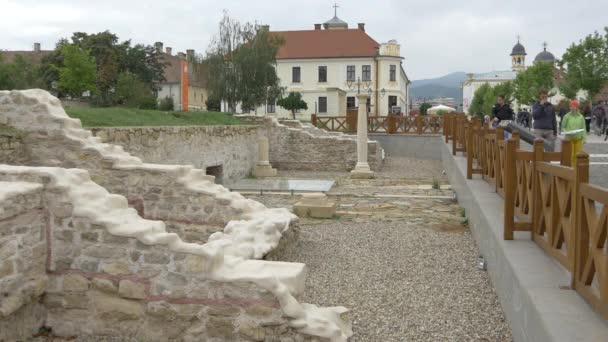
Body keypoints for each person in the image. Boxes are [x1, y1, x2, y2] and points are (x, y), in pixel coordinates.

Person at [562, 100, 587, 166]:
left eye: (574, 106)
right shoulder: (567, 116)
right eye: (571, 106)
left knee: (578, 155)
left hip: (578, 139)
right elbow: (563, 127)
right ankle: (571, 169)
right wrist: (566, 132)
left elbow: (583, 128)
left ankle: (576, 169)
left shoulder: (581, 117)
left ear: (577, 107)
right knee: (570, 155)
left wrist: (584, 138)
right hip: (569, 139)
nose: (572, 108)